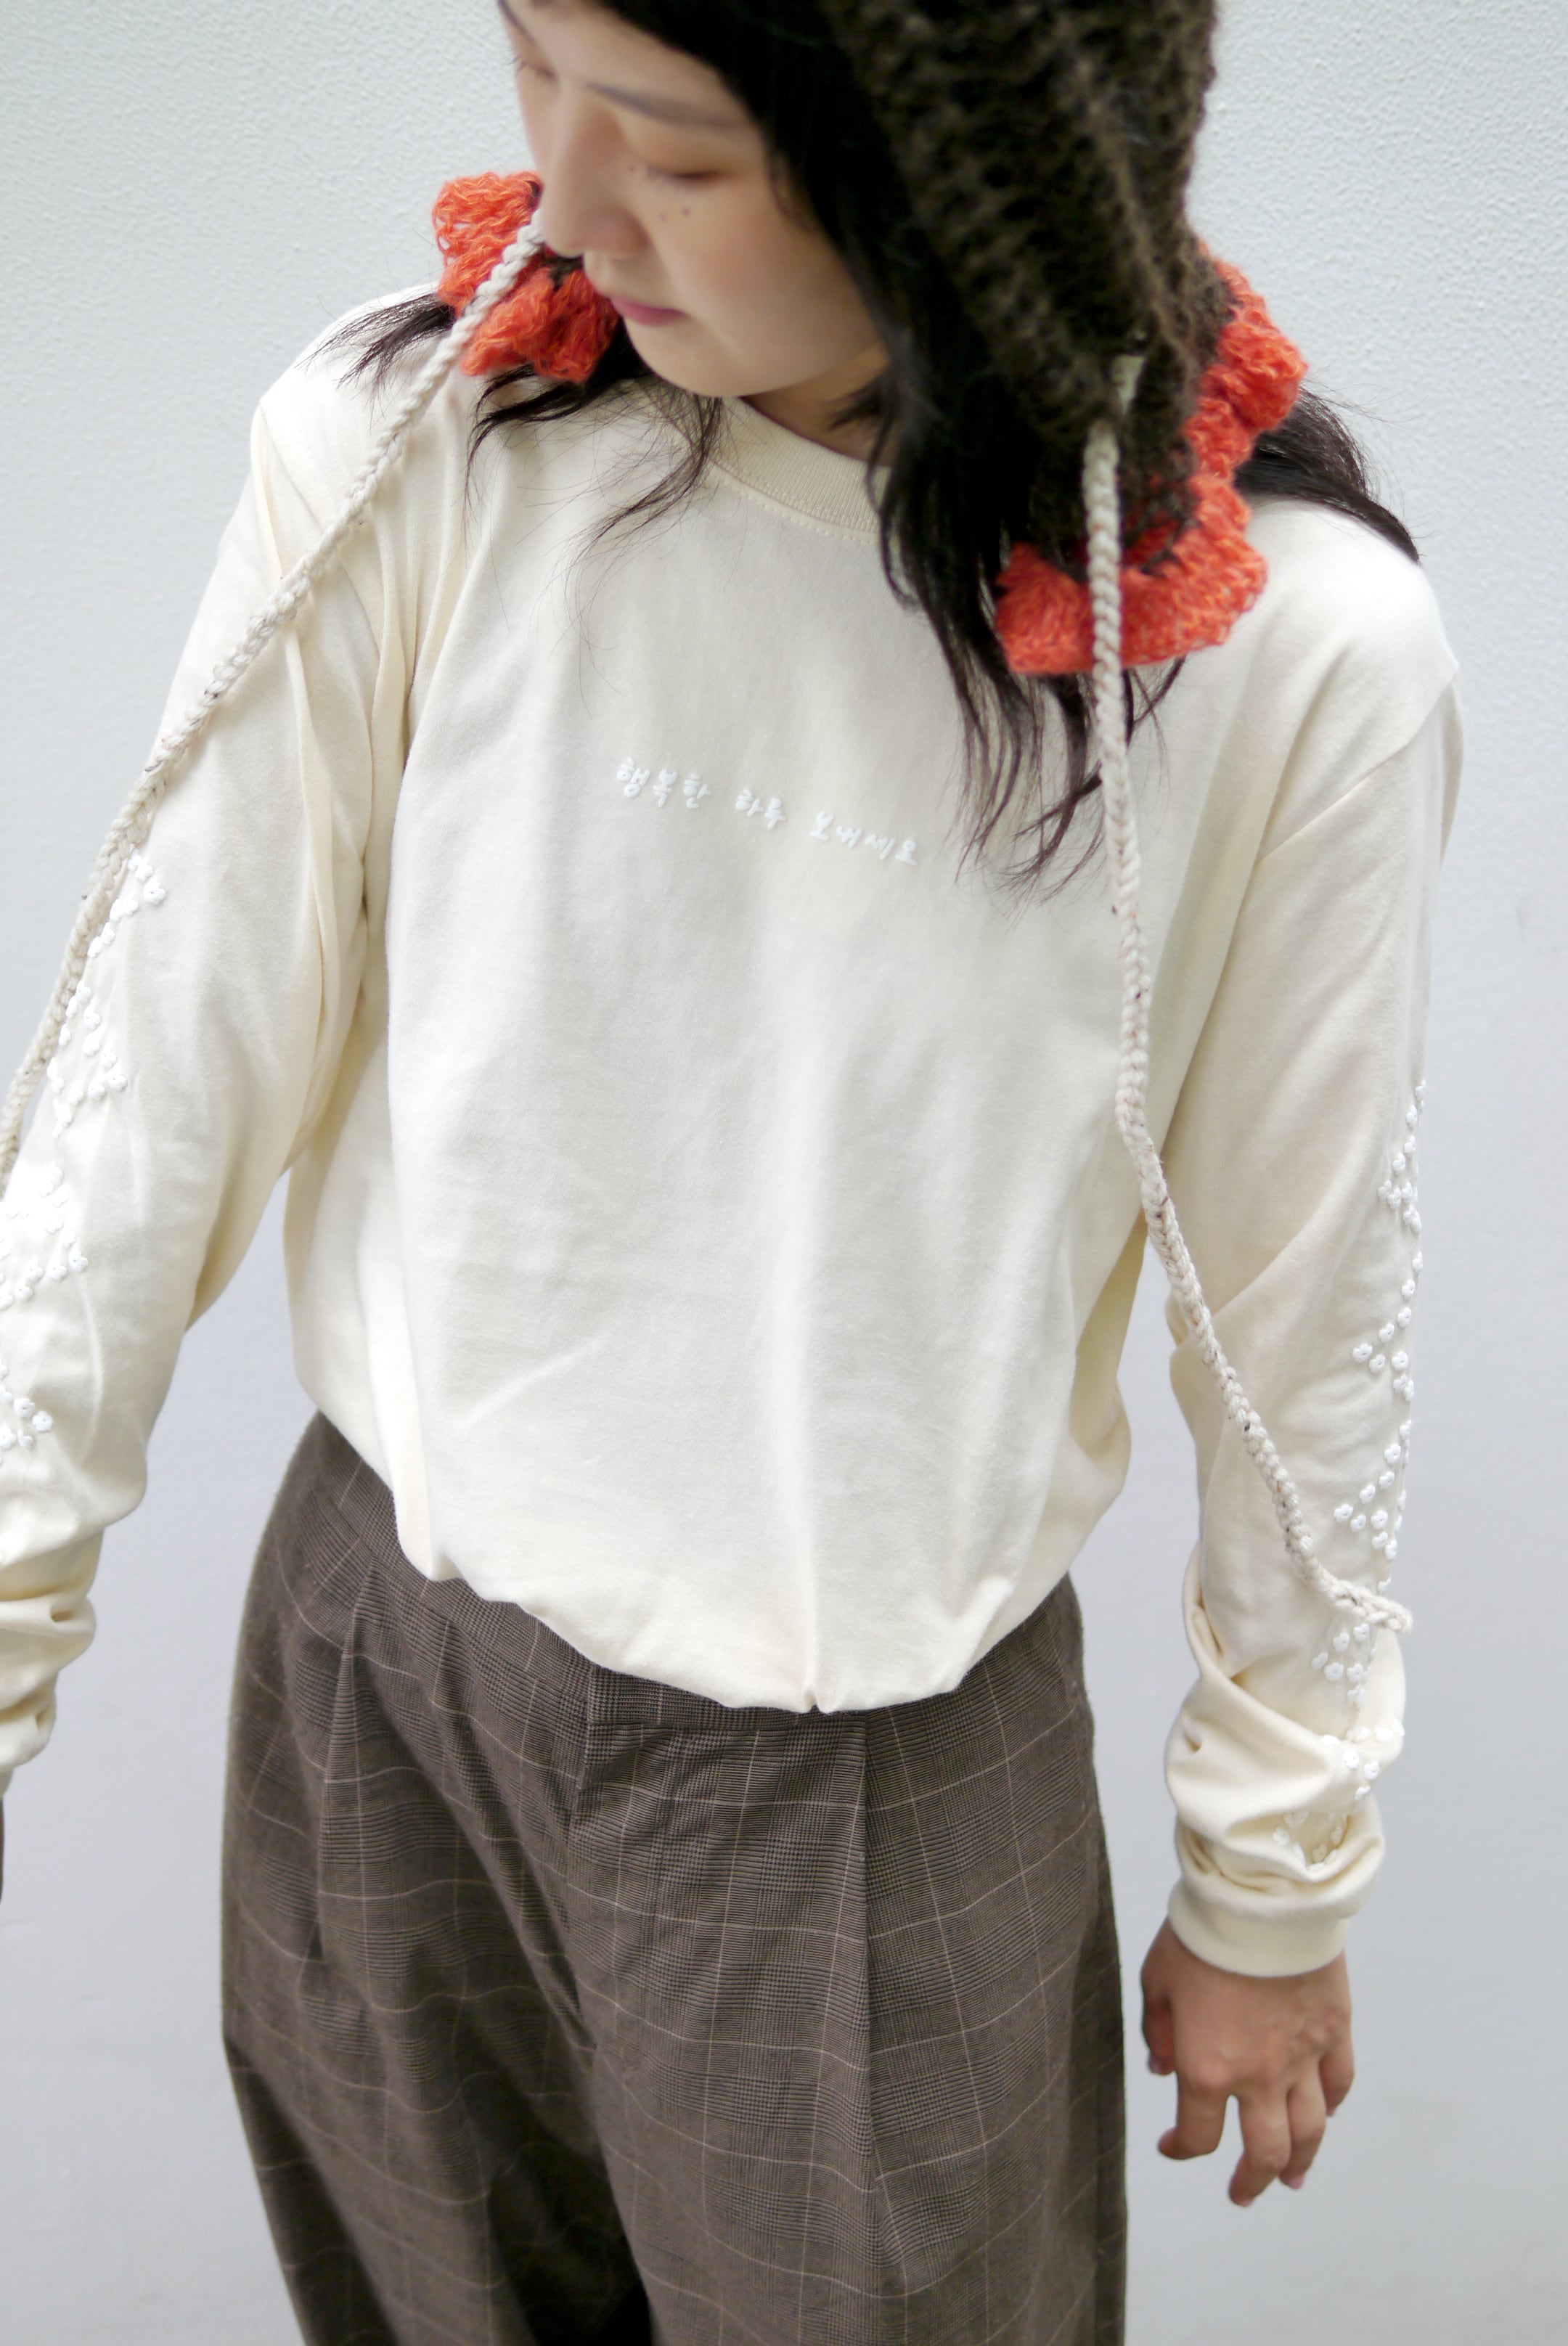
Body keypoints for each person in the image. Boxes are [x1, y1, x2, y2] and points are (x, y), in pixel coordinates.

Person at [0, 1, 1460, 2339]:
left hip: (859, 1791)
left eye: (678, 150)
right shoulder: (416, 442)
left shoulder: (1286, 652)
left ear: (965, 162)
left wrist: (1275, 1869)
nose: (571, 201)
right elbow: (161, 1061)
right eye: (533, 68)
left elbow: (1304, 1309)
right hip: (381, 1675)